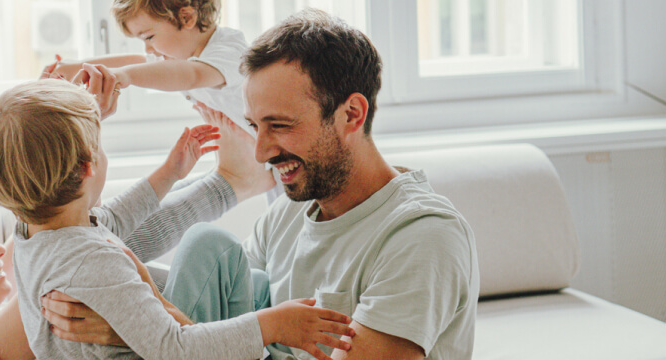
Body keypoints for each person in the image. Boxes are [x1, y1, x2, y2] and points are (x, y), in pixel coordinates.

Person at [48, 9, 481, 360]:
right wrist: (140, 317)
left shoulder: (422, 236)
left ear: (352, 114)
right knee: (203, 244)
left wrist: (146, 328)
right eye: (254, 125)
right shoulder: (292, 209)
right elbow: (219, 310)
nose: (260, 153)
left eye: (280, 125)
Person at [0, 79, 356, 360]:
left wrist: (170, 172)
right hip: (171, 352)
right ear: (88, 166)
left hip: (152, 341)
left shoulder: (33, 236)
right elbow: (174, 348)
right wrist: (275, 325)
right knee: (210, 246)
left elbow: (111, 218)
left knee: (248, 279)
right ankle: (269, 344)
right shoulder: (93, 263)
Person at [46, 0, 278, 201]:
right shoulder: (187, 52)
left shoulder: (228, 50)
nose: (148, 47)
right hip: (266, 161)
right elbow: (140, 60)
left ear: (186, 18)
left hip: (285, 155)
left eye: (149, 37)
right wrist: (78, 66)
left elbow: (190, 75)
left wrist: (126, 75)